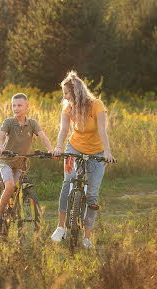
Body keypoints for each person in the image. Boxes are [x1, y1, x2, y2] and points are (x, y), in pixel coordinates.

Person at [50, 71, 116, 249]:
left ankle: (87, 237)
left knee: (92, 193)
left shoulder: (96, 105)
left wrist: (107, 153)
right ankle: (60, 227)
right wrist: (58, 147)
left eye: (66, 93)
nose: (64, 97)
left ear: (76, 92)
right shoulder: (68, 107)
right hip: (74, 147)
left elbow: (102, 130)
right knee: (68, 181)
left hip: (96, 151)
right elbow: (64, 130)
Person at [0, 93, 53, 234]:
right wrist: (0, 147)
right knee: (9, 187)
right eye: (14, 105)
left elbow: (42, 136)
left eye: (19, 105)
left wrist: (50, 150)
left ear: (27, 107)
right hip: (6, 161)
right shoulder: (8, 122)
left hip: (20, 163)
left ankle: (15, 213)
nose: (16, 108)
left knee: (16, 189)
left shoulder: (32, 123)